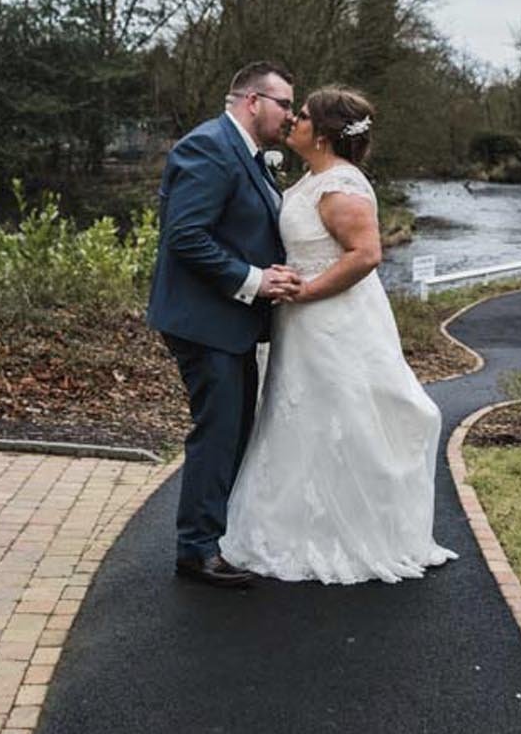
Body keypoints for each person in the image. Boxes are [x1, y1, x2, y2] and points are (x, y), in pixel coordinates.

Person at [220, 85, 458, 584]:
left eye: (302, 116)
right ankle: (300, 525)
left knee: (342, 416)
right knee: (303, 418)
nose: (293, 122)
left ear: (325, 135)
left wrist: (305, 293)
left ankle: (349, 532)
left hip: (332, 321)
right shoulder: (315, 177)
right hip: (302, 323)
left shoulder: (341, 187)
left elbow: (366, 256)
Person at [147, 60, 303, 588]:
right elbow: (186, 237)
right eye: (285, 104)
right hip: (205, 320)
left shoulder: (251, 156)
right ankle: (195, 550)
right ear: (253, 101)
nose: (291, 116)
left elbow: (242, 226)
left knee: (232, 431)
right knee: (217, 433)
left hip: (230, 321)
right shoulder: (208, 146)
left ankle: (210, 538)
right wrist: (255, 280)